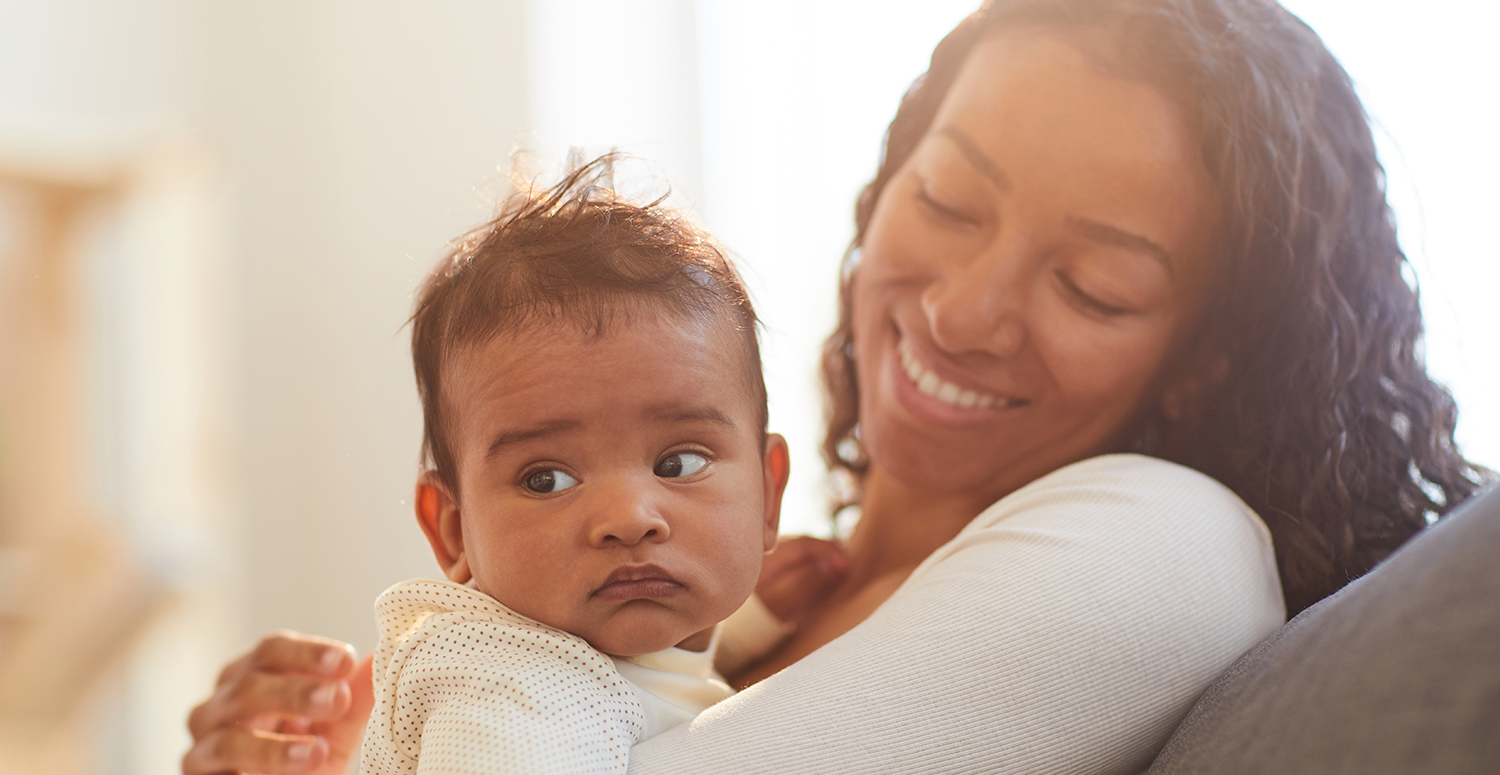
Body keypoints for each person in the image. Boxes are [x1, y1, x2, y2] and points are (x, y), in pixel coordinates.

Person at [182, 0, 1490, 773]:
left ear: (1208, 353)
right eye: (949, 197)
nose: (964, 309)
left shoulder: (1167, 544)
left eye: (1091, 284)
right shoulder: (716, 600)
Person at [358, 155, 823, 774]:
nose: (629, 519)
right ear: (452, 529)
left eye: (679, 463)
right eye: (545, 479)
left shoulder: (574, 665)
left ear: (768, 496)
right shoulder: (513, 688)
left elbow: (648, 679)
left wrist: (750, 625)